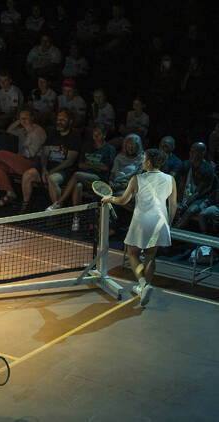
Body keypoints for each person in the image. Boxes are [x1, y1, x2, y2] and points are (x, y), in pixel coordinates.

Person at [101, 149, 177, 306]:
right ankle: (145, 289)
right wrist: (168, 223)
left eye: (143, 159)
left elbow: (123, 200)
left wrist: (110, 199)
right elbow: (173, 205)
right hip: (161, 220)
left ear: (148, 162)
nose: (142, 161)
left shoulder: (137, 178)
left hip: (142, 221)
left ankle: (143, 284)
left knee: (132, 253)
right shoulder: (171, 179)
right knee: (150, 256)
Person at [47, 125, 115, 230]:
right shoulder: (87, 146)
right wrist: (95, 165)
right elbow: (80, 165)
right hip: (85, 177)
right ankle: (76, 220)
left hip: (98, 179)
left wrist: (90, 164)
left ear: (104, 135)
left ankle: (58, 203)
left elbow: (105, 168)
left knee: (77, 175)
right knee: (78, 185)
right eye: (94, 134)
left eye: (98, 134)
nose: (95, 136)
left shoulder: (109, 149)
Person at [20, 108, 80, 211]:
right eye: (58, 119)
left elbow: (69, 161)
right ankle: (25, 207)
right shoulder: (52, 133)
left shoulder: (74, 137)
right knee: (28, 175)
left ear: (70, 122)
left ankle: (56, 212)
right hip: (48, 167)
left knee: (52, 179)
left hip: (64, 169)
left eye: (63, 120)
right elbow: (44, 154)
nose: (59, 122)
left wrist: (51, 172)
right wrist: (43, 169)